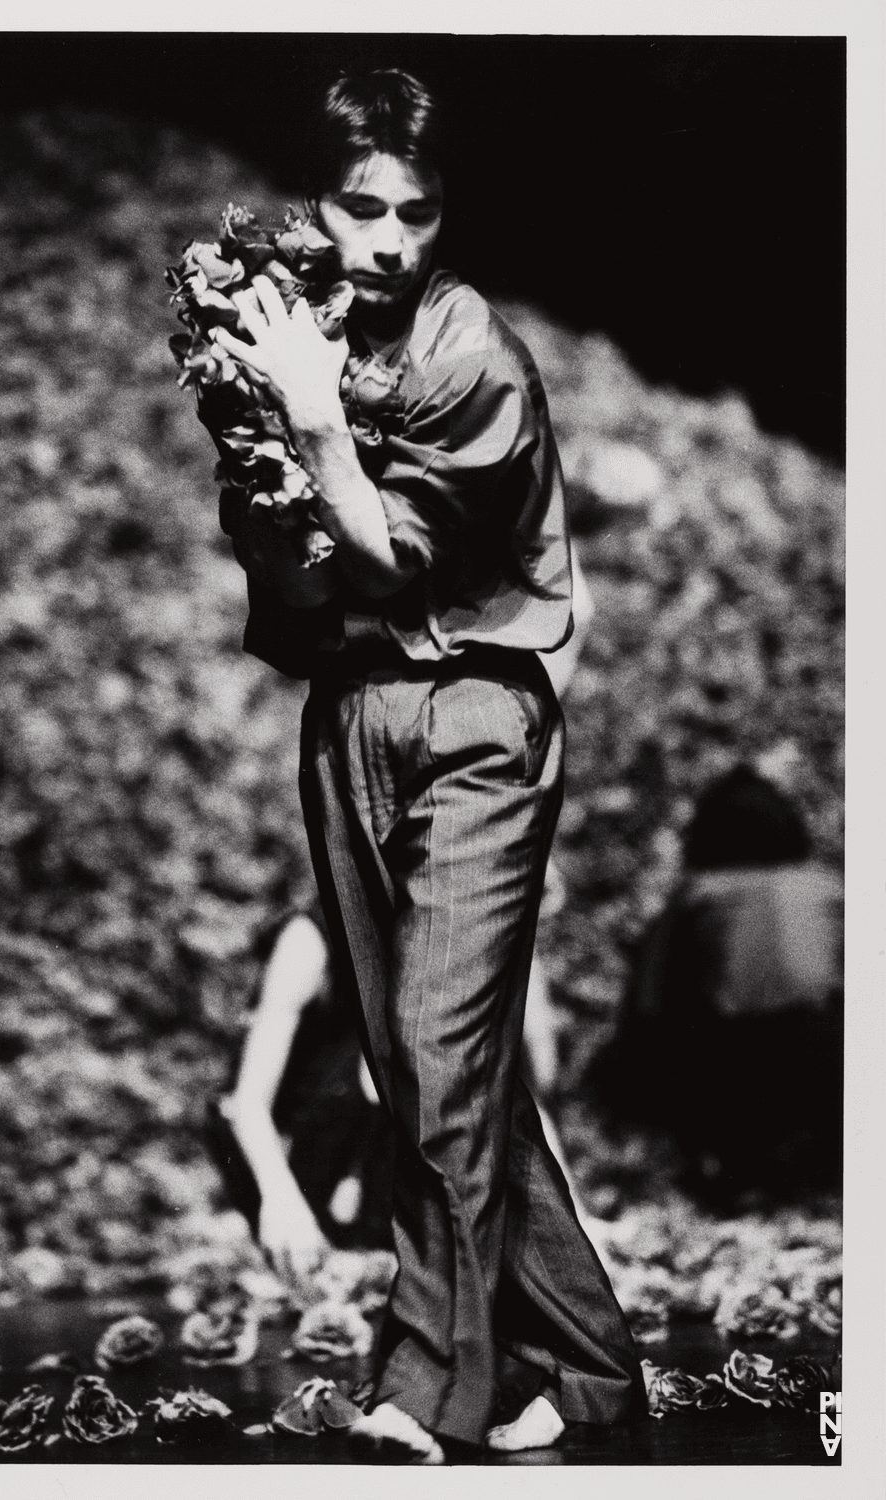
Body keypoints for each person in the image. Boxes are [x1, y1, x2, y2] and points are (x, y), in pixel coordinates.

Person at [210, 69, 643, 1461]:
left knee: (447, 1058)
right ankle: (587, 1371)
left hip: (472, 717)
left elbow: (395, 553)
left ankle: (426, 1385)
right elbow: (292, 582)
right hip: (350, 716)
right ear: (316, 207)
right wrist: (268, 445)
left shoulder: (476, 356)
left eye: (419, 209)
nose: (391, 238)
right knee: (419, 1066)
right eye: (360, 206)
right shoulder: (288, 328)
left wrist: (318, 426)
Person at [596, 762, 843, 1201]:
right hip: (822, 1060)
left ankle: (727, 1160)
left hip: (737, 1064)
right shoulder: (828, 888)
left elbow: (648, 1007)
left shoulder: (695, 895)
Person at [208, 905, 394, 1286]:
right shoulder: (308, 941)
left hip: (367, 1142)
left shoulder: (449, 939)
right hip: (283, 1141)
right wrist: (281, 1199)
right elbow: (249, 1101)